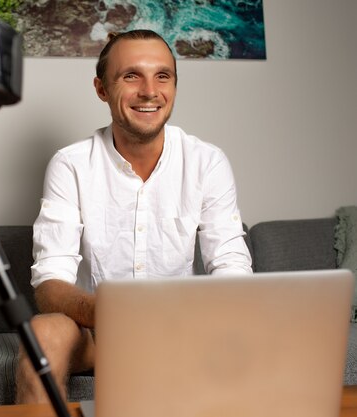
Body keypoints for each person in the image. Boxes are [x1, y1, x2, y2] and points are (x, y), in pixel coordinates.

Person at [15, 29, 253, 404]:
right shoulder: (70, 165)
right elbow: (50, 283)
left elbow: (230, 263)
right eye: (131, 76)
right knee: (42, 332)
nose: (149, 91)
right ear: (101, 89)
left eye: (163, 76)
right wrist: (111, 313)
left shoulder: (207, 162)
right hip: (96, 331)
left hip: (181, 329)